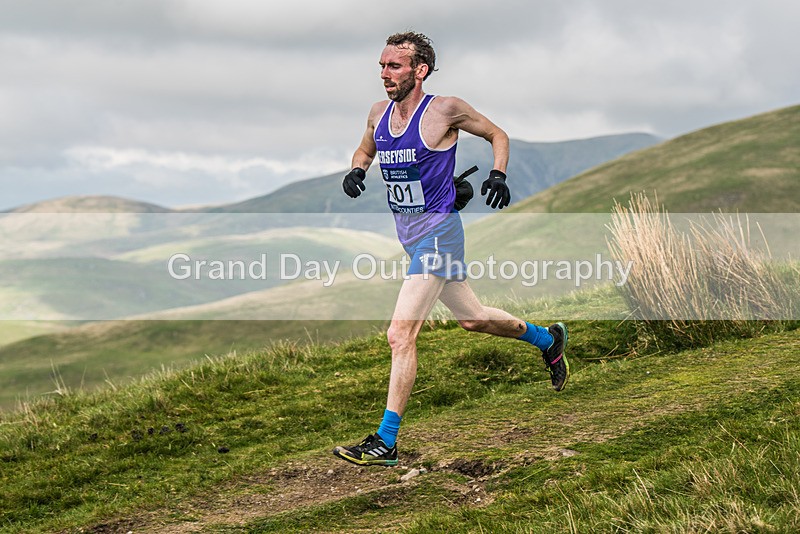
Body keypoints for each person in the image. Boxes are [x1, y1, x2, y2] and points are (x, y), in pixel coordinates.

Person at [333, 32, 569, 466]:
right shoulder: (378, 113)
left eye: (394, 66)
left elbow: (497, 134)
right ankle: (547, 340)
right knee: (473, 320)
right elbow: (367, 145)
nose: (385, 74)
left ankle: (386, 441)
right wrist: (357, 170)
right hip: (410, 235)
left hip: (440, 234)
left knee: (399, 334)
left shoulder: (444, 109)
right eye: (382, 66)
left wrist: (497, 175)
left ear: (420, 70)